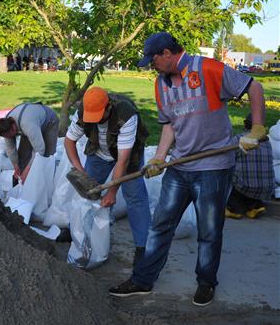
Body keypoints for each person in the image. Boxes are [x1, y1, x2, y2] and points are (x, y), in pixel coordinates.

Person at [109, 32, 265, 307]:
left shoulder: (207, 69)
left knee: (209, 229)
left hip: (213, 167)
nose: (151, 65)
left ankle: (206, 283)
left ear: (167, 54)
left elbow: (254, 87)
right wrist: (159, 156)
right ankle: (143, 280)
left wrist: (256, 128)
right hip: (180, 166)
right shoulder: (161, 84)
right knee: (160, 225)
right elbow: (169, 124)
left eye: (153, 60)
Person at [64, 87, 151, 264]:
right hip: (98, 153)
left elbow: (122, 161)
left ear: (108, 107)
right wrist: (79, 168)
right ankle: (79, 233)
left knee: (135, 197)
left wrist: (112, 192)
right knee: (87, 194)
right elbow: (69, 141)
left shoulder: (126, 114)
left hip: (127, 155)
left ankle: (143, 247)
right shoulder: (83, 111)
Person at [0, 103, 59, 183]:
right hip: (30, 123)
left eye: (10, 135)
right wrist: (16, 166)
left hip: (49, 122)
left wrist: (27, 170)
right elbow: (11, 149)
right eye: (6, 136)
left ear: (13, 127)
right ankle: (23, 183)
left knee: (46, 156)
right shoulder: (5, 127)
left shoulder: (27, 125)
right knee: (22, 155)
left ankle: (46, 182)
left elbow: (40, 149)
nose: (9, 137)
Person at [226, 113, 274, 219]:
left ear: (245, 124)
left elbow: (227, 160)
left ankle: (233, 209)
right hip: (267, 188)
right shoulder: (267, 142)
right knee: (251, 179)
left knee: (228, 174)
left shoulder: (239, 139)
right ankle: (256, 206)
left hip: (245, 186)